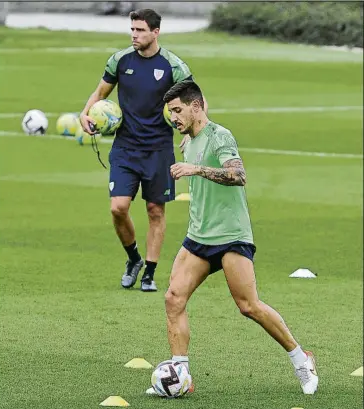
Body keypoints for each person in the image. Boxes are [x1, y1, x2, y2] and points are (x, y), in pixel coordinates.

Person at [146, 80, 318, 395]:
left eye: (177, 110)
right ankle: (181, 376)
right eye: (170, 112)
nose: (173, 118)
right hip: (199, 235)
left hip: (231, 236)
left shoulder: (220, 136)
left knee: (248, 305)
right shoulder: (189, 139)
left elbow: (238, 176)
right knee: (173, 298)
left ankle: (301, 358)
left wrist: (195, 169)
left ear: (196, 106)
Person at [80, 9, 204, 292]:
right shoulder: (121, 60)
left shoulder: (173, 66)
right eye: (132, 29)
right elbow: (100, 93)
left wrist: (192, 133)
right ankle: (133, 258)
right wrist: (84, 113)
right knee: (118, 207)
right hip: (125, 147)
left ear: (155, 32)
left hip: (159, 149)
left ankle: (149, 271)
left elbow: (197, 101)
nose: (134, 35)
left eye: (140, 30)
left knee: (154, 210)